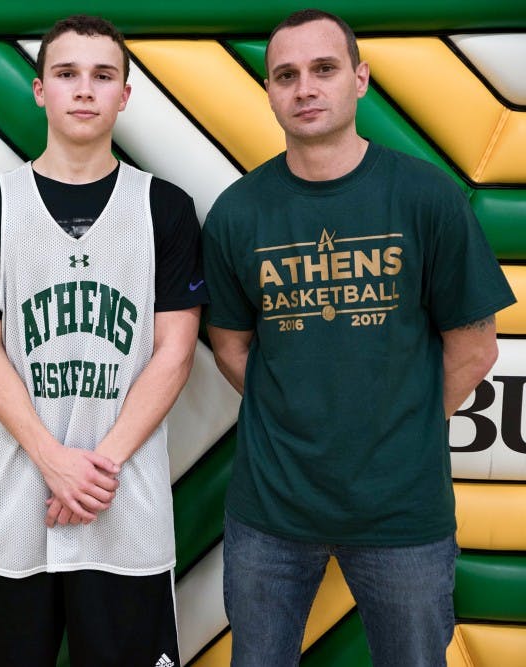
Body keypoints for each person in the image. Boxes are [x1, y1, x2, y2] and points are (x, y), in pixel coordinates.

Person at [202, 8, 516, 667]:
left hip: (403, 513)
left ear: (360, 79)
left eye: (323, 69)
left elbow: (476, 345)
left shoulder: (427, 196)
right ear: (269, 92)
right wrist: (292, 415)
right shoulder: (238, 211)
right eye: (285, 75)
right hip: (270, 512)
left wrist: (399, 429)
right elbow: (231, 346)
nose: (305, 88)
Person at [0, 14, 206, 667]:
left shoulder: (164, 208)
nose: (84, 89)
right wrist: (54, 460)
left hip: (127, 515)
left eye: (102, 75)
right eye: (66, 74)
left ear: (124, 94)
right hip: (17, 507)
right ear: (39, 90)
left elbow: (175, 351)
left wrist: (97, 467)